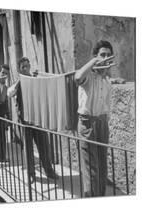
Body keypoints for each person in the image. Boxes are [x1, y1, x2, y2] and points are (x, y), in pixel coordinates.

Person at [74, 40, 115, 197]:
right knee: (91, 170)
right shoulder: (88, 75)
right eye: (102, 55)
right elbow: (77, 77)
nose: (105, 58)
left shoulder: (107, 80)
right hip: (88, 123)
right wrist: (93, 62)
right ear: (96, 57)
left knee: (102, 167)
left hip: (102, 123)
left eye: (108, 55)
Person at [8, 57, 58, 182]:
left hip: (38, 120)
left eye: (27, 66)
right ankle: (31, 174)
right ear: (19, 69)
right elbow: (10, 93)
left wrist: (37, 78)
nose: (26, 68)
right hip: (24, 121)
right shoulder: (17, 82)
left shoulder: (36, 79)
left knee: (44, 146)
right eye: (23, 67)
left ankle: (49, 171)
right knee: (28, 148)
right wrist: (21, 80)